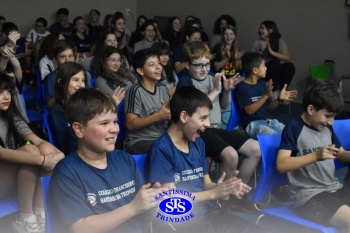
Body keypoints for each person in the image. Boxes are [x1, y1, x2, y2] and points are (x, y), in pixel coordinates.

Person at [148, 86, 267, 233]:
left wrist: (223, 188)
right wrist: (213, 194)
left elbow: (206, 184)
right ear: (184, 116)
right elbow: (170, 202)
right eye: (203, 118)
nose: (208, 124)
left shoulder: (198, 143)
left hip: (208, 214)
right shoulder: (161, 149)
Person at [50, 88, 166, 233]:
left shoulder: (124, 159)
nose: (114, 129)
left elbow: (144, 218)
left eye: (115, 122)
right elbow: (80, 228)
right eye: (104, 123)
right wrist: (133, 207)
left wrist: (155, 201)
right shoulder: (67, 172)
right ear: (79, 130)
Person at [177, 41, 261, 211]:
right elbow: (194, 110)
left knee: (255, 148)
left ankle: (237, 193)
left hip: (214, 128)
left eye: (207, 64)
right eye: (198, 65)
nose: (204, 69)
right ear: (187, 65)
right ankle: (223, 199)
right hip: (196, 131)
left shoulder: (212, 77)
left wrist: (227, 91)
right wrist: (216, 90)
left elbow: (223, 106)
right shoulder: (185, 82)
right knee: (230, 155)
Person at [276, 80, 350, 231]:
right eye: (328, 116)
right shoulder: (294, 128)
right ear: (311, 109)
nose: (331, 122)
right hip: (310, 197)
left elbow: (341, 154)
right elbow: (281, 164)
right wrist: (315, 156)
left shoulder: (326, 129)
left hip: (333, 189)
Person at [0, 72, 64, 233]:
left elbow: (36, 139)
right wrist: (42, 160)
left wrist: (56, 153)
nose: (6, 96)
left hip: (11, 177)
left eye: (8, 91)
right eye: (0, 92)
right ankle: (26, 216)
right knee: (31, 152)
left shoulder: (10, 116)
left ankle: (38, 212)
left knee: (41, 149)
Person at [235, 52, 297, 138]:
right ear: (255, 70)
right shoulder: (241, 87)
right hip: (253, 125)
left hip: (269, 122)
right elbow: (249, 111)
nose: (266, 68)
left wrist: (278, 99)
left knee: (291, 134)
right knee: (276, 137)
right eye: (264, 65)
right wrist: (265, 96)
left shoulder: (263, 84)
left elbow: (269, 109)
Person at [124, 48, 170, 154]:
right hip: (138, 141)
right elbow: (130, 124)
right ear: (141, 71)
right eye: (151, 64)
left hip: (160, 137)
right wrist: (159, 116)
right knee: (165, 148)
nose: (158, 67)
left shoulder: (162, 88)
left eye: (158, 63)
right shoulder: (134, 90)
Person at [48, 62, 87, 155]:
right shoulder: (57, 111)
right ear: (61, 82)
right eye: (76, 80)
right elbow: (67, 145)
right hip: (75, 157)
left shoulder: (86, 106)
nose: (81, 85)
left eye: (83, 80)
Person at [251, 20, 295, 91]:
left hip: (276, 70)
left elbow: (288, 58)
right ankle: (273, 91)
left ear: (270, 30)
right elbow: (252, 60)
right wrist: (260, 51)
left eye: (262, 28)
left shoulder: (279, 41)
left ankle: (282, 90)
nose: (260, 30)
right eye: (260, 28)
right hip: (263, 70)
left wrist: (271, 52)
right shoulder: (257, 42)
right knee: (274, 63)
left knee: (289, 67)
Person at [44, 39, 77, 108]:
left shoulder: (81, 74)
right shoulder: (52, 77)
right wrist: (65, 91)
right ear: (56, 59)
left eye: (70, 56)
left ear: (74, 57)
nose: (67, 60)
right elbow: (50, 104)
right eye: (62, 57)